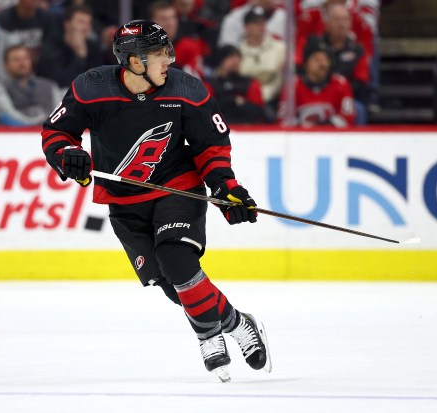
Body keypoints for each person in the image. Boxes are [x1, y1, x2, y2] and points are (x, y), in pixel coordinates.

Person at [41, 20, 271, 382]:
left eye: (169, 51)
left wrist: (227, 188)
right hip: (124, 201)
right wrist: (69, 154)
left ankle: (208, 335)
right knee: (170, 282)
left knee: (175, 257)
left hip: (175, 187)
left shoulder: (186, 89)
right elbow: (57, 132)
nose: (170, 59)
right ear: (134, 62)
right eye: (160, 54)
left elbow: (211, 146)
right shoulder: (92, 88)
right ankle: (236, 322)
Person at [278, 37, 355, 127]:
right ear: (306, 64)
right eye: (316, 59)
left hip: (334, 138)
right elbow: (283, 121)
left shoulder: (341, 84)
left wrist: (322, 127)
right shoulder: (292, 86)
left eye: (326, 59)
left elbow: (348, 118)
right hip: (301, 139)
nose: (323, 64)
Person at [0, 44, 61, 125]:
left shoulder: (49, 85)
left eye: (26, 58)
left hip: (49, 135)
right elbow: (7, 115)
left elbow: (61, 114)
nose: (22, 63)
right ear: (5, 65)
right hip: (12, 135)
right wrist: (35, 126)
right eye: (16, 59)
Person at [36, 4, 103, 90]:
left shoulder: (93, 47)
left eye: (89, 23)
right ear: (67, 24)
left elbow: (98, 81)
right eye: (81, 22)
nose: (86, 27)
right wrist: (80, 57)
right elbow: (61, 83)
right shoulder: (51, 48)